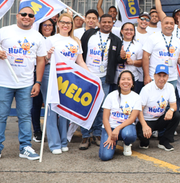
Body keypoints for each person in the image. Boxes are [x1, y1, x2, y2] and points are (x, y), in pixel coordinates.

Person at [0, 7, 46, 163]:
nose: (26, 17)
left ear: (34, 18)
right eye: (23, 14)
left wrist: (38, 82)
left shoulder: (38, 37)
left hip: (26, 84)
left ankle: (25, 147)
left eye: (30, 15)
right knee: (0, 116)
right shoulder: (4, 31)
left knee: (25, 116)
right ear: (17, 16)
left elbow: (40, 61)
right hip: (3, 83)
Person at [43, 13, 89, 154]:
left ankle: (63, 141)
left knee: (64, 110)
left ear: (72, 25)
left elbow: (80, 61)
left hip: (69, 77)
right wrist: (48, 55)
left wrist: (90, 76)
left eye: (68, 23)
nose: (65, 25)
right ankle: (54, 144)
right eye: (63, 22)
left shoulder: (76, 41)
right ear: (58, 24)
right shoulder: (50, 40)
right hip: (51, 74)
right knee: (51, 109)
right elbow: (42, 61)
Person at [79, 14, 124, 149]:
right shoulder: (88, 34)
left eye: (109, 22)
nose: (106, 24)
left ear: (112, 24)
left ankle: (97, 133)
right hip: (87, 76)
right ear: (99, 22)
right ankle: (85, 135)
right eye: (104, 22)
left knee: (100, 107)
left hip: (104, 78)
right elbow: (80, 52)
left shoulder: (116, 40)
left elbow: (117, 60)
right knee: (84, 105)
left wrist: (122, 57)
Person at [137, 65, 180, 151]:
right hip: (147, 120)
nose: (161, 78)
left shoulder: (170, 87)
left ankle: (164, 141)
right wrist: (145, 126)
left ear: (168, 77)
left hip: (160, 119)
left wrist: (171, 110)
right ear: (154, 76)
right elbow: (139, 110)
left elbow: (174, 105)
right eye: (159, 75)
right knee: (144, 141)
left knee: (176, 115)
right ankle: (144, 141)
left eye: (164, 76)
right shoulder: (146, 89)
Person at [99, 70, 141, 160]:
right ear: (118, 82)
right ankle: (114, 139)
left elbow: (132, 119)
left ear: (132, 83)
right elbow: (105, 119)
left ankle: (127, 143)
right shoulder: (111, 96)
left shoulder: (136, 97)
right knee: (104, 156)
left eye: (129, 79)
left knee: (129, 134)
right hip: (110, 128)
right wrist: (110, 135)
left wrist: (118, 128)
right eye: (123, 79)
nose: (126, 81)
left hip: (126, 128)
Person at [142, 16, 180, 87]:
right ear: (161, 24)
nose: (169, 25)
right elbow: (145, 56)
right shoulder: (152, 38)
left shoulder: (178, 41)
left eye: (171, 24)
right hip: (155, 77)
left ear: (174, 25)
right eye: (166, 23)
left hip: (172, 78)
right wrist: (146, 75)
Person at [31, 19, 55, 143]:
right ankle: (37, 130)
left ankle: (54, 132)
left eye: (50, 25)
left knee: (52, 103)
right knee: (37, 102)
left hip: (54, 74)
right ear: (40, 27)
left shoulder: (57, 39)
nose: (47, 27)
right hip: (37, 72)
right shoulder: (36, 39)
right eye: (45, 25)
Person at [117, 22, 144, 93]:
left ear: (134, 32)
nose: (129, 32)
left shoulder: (138, 45)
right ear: (122, 31)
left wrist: (133, 62)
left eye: (131, 30)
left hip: (133, 79)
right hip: (117, 79)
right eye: (126, 29)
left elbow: (142, 62)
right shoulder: (116, 43)